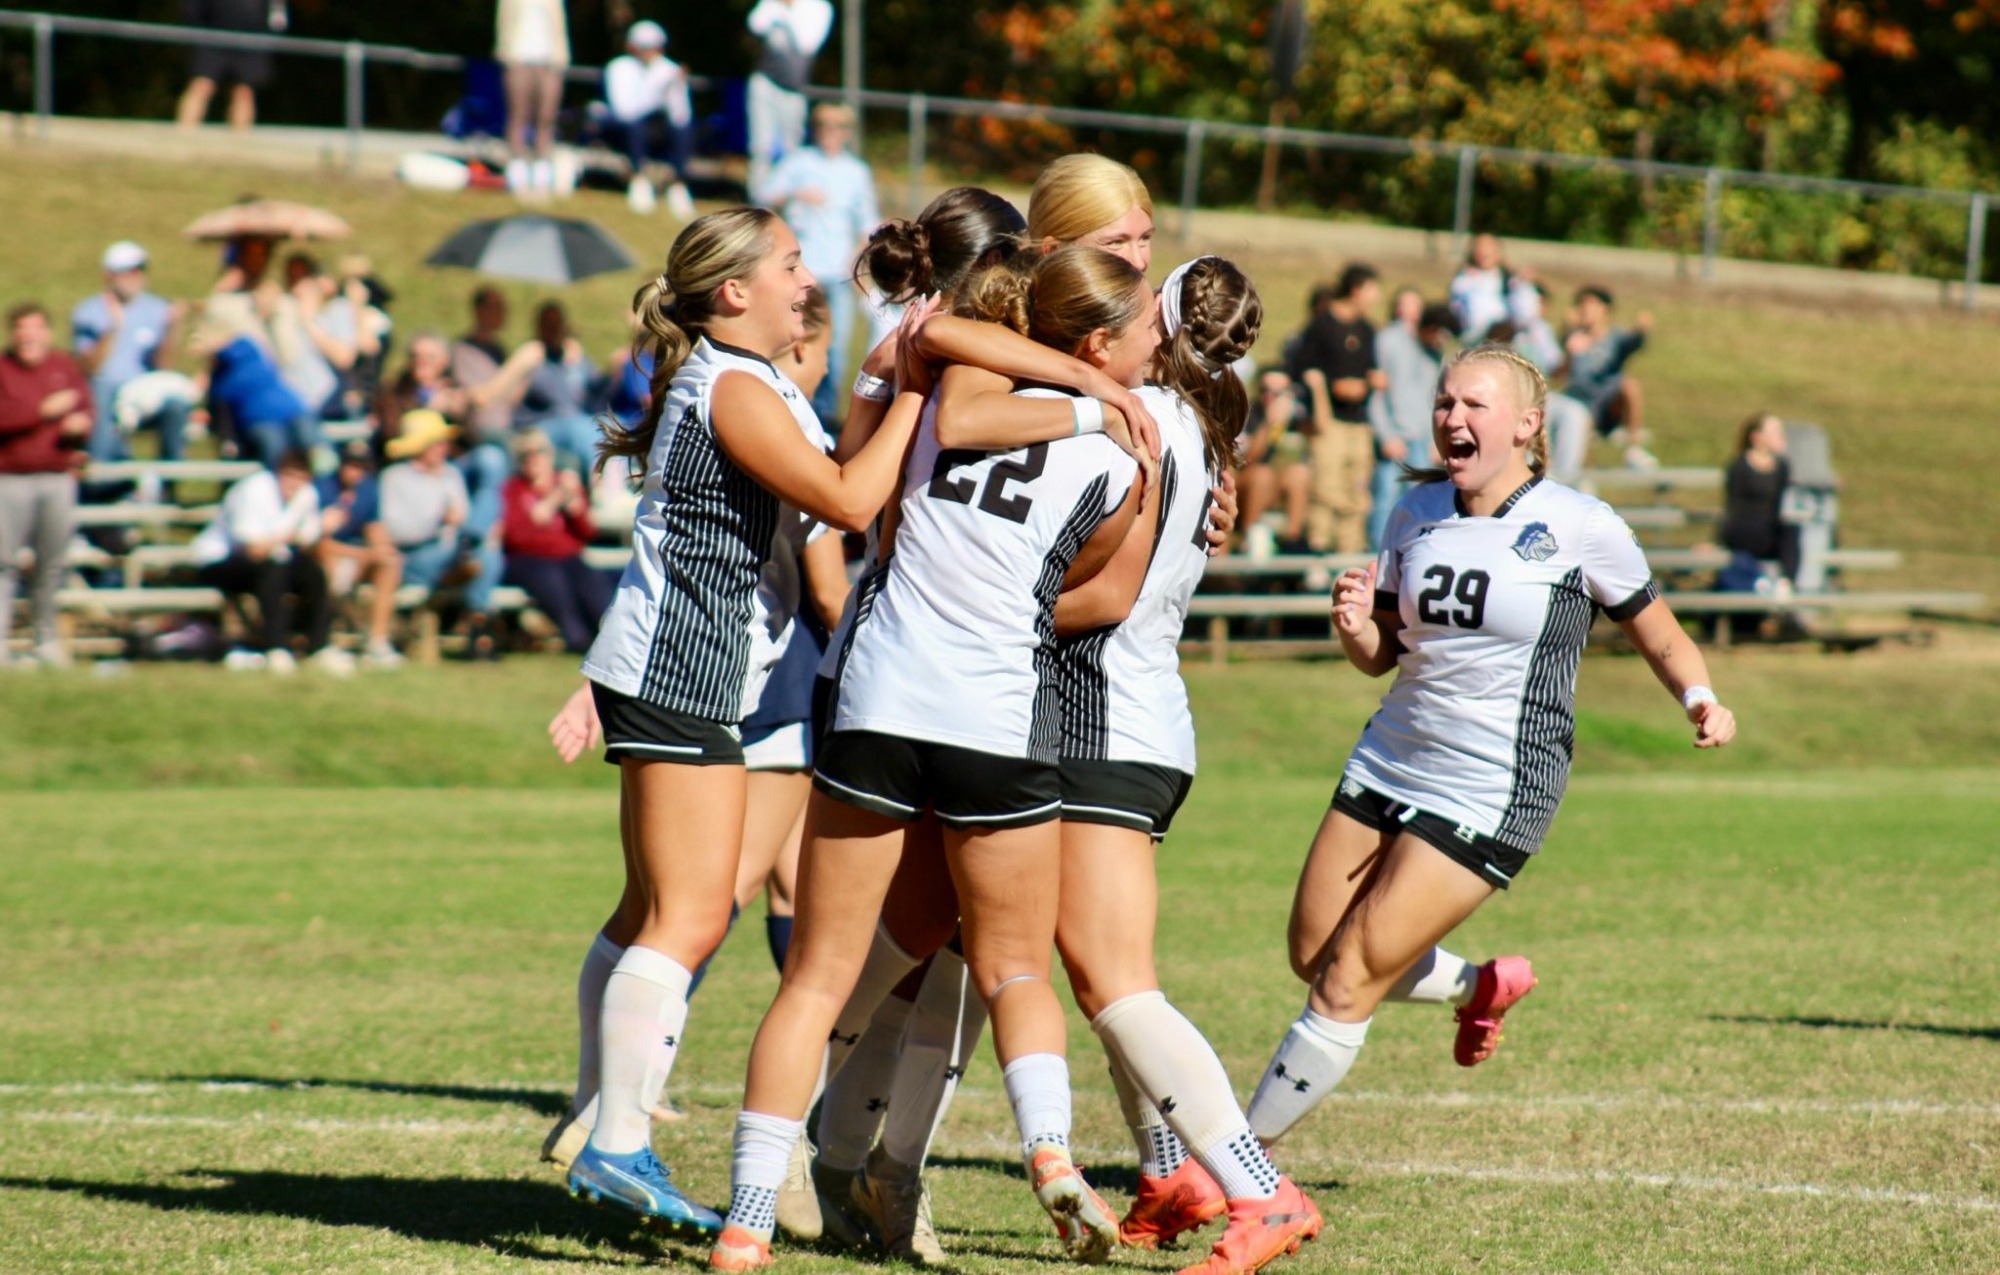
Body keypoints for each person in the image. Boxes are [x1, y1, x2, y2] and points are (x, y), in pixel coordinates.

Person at [712, 245, 1160, 1273]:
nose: (1152, 353)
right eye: (1141, 335)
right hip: (997, 717)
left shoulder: (947, 382)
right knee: (1010, 968)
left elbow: (919, 362)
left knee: (816, 978)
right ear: (1091, 343)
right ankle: (1049, 1155)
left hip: (880, 699)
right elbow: (1090, 591)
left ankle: (742, 1222)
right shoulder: (1129, 455)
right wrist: (1099, 406)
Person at [1242, 344, 1736, 1149]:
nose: (1453, 419)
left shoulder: (1580, 525)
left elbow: (1659, 630)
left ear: (1527, 425)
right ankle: (1481, 985)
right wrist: (1359, 627)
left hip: (1491, 779)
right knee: (1312, 951)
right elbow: (1386, 655)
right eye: (1445, 402)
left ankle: (1234, 1169)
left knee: (1345, 978)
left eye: (1474, 404)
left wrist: (1701, 697)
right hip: (1392, 754)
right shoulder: (1414, 512)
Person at [557, 206, 925, 1239]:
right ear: (735, 293)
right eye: (791, 264)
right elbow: (849, 501)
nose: (806, 280)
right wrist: (921, 387)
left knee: (657, 911)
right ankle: (616, 1141)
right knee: (689, 915)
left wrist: (883, 383)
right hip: (682, 670)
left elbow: (837, 463)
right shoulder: (727, 384)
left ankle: (605, 1123)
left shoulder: (753, 381)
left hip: (686, 670)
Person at [1040, 256, 1322, 1275]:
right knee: (1094, 974)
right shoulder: (1193, 421)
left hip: (1105, 717)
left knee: (1116, 984)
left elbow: (1095, 589)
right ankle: (1166, 1172)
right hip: (1130, 719)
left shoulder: (1133, 416)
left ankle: (1257, 1188)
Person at [755, 103, 880, 423]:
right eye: (823, 125)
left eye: (837, 127)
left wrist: (855, 261)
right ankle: (791, 405)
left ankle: (823, 415)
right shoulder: (798, 162)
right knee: (793, 338)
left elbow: (867, 224)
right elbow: (763, 195)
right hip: (801, 269)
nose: (829, 132)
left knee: (834, 349)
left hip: (837, 271)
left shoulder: (856, 171)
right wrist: (796, 194)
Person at [192, 448, 351, 674]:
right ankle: (276, 646)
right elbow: (253, 550)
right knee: (273, 571)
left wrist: (323, 529)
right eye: (289, 476)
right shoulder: (254, 490)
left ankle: (318, 644)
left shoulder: (306, 495)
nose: (293, 485)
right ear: (278, 473)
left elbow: (304, 542)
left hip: (271, 560)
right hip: (218, 560)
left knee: (313, 573)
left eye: (300, 478)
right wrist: (290, 534)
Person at [0, 304, 91, 668]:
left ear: (47, 333)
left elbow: (85, 405)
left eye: (36, 328)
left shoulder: (63, 366)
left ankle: (46, 639)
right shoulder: (4, 370)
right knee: (3, 563)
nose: (29, 336)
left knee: (51, 564)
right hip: (10, 478)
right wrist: (43, 411)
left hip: (56, 476)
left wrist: (80, 426)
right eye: (22, 328)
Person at [376, 410, 505, 660]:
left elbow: (463, 513)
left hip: (455, 546)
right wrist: (436, 522)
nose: (443, 447)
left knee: (488, 551)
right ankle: (479, 627)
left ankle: (477, 628)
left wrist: (459, 525)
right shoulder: (395, 478)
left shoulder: (451, 474)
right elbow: (394, 529)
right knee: (477, 549)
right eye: (436, 443)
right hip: (417, 556)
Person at [1287, 264, 1383, 554]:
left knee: (1357, 492)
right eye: (1371, 289)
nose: (1375, 296)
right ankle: (1319, 552)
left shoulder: (1367, 329)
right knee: (1326, 489)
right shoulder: (1322, 325)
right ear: (1356, 289)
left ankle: (1348, 553)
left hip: (1359, 422)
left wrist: (1369, 383)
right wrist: (1331, 386)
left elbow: (1370, 370)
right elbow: (1300, 368)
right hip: (1329, 423)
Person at [71, 241, 190, 471]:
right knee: (99, 395)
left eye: (139, 271)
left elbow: (162, 366)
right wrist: (113, 328)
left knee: (177, 404)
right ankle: (102, 473)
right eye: (128, 272)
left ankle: (170, 478)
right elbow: (89, 368)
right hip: (106, 387)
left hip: (143, 390)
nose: (134, 278)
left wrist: (171, 329)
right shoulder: (88, 311)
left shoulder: (157, 309)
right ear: (110, 276)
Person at [500, 430, 609, 653]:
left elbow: (587, 532)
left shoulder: (565, 484)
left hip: (568, 557)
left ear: (549, 455)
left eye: (538, 453)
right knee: (552, 579)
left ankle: (607, 634)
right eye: (525, 455)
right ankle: (576, 636)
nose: (533, 460)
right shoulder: (513, 489)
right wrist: (552, 501)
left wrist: (576, 508)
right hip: (529, 560)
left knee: (591, 579)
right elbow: (516, 536)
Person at [1366, 295, 1456, 551]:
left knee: (1419, 501)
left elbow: (1433, 399)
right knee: (1384, 500)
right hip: (1394, 434)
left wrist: (1435, 440)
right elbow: (1379, 391)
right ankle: (1378, 555)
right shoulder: (1390, 341)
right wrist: (1386, 434)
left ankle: (1412, 552)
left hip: (1420, 437)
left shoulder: (1434, 354)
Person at [314, 439, 404, 668]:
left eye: (360, 466)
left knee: (389, 563)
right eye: (350, 464)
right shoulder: (321, 488)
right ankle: (323, 639)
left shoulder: (368, 489)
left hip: (353, 556)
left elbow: (372, 527)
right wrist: (363, 554)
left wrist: (382, 549)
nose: (353, 471)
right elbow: (316, 542)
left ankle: (377, 640)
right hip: (322, 557)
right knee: (328, 566)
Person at [597, 20, 697, 219]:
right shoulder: (618, 68)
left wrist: (673, 90)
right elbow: (625, 112)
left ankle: (678, 184)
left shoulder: (669, 70)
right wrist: (660, 92)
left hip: (658, 130)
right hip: (623, 130)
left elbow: (681, 116)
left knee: (682, 130)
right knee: (636, 127)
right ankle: (638, 180)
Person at [745, 0, 835, 195]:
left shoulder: (819, 8)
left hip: (794, 88)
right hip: (765, 80)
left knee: (791, 149)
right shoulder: (773, 3)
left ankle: (785, 199)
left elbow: (806, 44)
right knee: (761, 146)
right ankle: (757, 201)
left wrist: (788, 10)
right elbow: (755, 24)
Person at [1560, 285, 1654, 468]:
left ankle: (1632, 449)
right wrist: (1567, 345)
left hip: (1607, 400)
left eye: (1592, 305)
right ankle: (1581, 476)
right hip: (1581, 400)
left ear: (1604, 309)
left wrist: (1642, 330)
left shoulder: (1615, 337)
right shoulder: (1573, 338)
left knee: (1629, 385)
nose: (1586, 310)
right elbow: (1559, 373)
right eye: (1582, 305)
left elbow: (1634, 342)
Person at [513, 301, 600, 475]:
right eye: (548, 324)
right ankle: (599, 481)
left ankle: (621, 482)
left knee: (603, 424)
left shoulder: (572, 358)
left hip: (576, 421)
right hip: (539, 426)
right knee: (578, 428)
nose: (553, 329)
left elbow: (597, 387)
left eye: (557, 324)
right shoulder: (532, 357)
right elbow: (512, 399)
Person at [495, 0, 571, 196]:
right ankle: (517, 166)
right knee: (518, 114)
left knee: (546, 116)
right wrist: (504, 54)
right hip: (517, 57)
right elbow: (503, 24)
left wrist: (561, 59)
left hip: (549, 61)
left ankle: (542, 166)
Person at [1716, 412, 1797, 595]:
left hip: (1768, 528)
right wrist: (1717, 540)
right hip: (1744, 528)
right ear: (1756, 437)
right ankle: (1761, 584)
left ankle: (1786, 583)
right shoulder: (1740, 466)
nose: (1781, 437)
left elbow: (1783, 505)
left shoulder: (1782, 466)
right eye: (1775, 432)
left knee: (1791, 529)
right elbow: (1731, 505)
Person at [175, 0, 285, 132]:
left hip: (252, 44)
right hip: (211, 40)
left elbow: (278, 18)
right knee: (202, 85)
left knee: (244, 92)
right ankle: (184, 134)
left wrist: (265, 39)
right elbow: (191, 10)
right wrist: (199, 32)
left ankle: (240, 141)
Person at [1236, 369, 1310, 556]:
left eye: (1278, 393)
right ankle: (1249, 539)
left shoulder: (1297, 414)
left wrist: (1316, 390)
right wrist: (1269, 424)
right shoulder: (1248, 413)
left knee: (1299, 473)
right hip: (1249, 481)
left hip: (1278, 482)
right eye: (1265, 390)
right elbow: (1246, 460)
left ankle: (1292, 541)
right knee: (1263, 475)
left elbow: (1321, 428)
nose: (1270, 396)